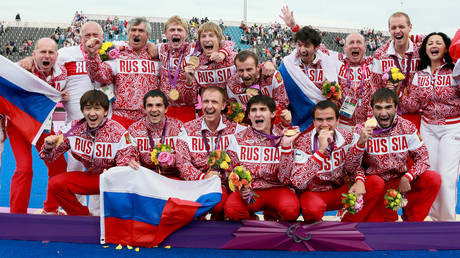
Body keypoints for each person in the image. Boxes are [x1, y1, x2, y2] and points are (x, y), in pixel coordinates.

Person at [345, 88, 441, 221]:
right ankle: (352, 221)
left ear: (396, 108)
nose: (383, 113)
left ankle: (412, 222)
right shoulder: (361, 129)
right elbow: (350, 167)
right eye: (378, 108)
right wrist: (360, 143)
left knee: (433, 179)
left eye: (388, 107)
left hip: (399, 182)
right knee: (382, 225)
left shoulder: (407, 127)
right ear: (372, 109)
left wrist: (408, 177)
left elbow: (423, 158)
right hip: (375, 184)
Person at [279, 100, 383, 222]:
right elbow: (298, 182)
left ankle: (349, 223)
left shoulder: (347, 137)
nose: (325, 124)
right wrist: (321, 150)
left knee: (376, 182)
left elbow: (353, 167)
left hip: (341, 191)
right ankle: (318, 231)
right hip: (314, 194)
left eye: (329, 119)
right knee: (311, 209)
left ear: (337, 121)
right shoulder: (302, 142)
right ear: (313, 121)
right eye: (319, 120)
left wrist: (359, 179)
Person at [40, 90, 136, 216]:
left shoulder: (118, 132)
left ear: (106, 111)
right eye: (88, 108)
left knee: (121, 192)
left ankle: (118, 221)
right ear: (82, 111)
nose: (92, 113)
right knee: (55, 184)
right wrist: (48, 147)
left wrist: (113, 173)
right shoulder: (73, 128)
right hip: (92, 177)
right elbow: (50, 157)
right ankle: (83, 218)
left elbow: (125, 164)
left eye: (97, 109)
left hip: (114, 181)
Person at [279, 6, 374, 131]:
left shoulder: (373, 63)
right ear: (344, 48)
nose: (355, 46)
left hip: (365, 123)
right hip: (339, 123)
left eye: (358, 43)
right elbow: (310, 41)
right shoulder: (335, 59)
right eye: (351, 43)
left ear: (365, 47)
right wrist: (294, 26)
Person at [399, 33, 460, 221]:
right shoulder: (419, 75)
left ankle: (447, 221)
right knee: (430, 174)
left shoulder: (455, 70)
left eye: (438, 43)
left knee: (447, 176)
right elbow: (412, 105)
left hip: (453, 128)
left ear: (446, 48)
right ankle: (433, 219)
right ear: (425, 49)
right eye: (430, 43)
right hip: (428, 128)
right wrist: (397, 93)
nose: (434, 45)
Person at [6, 38, 69, 214]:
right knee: (24, 168)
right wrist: (23, 62)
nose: (46, 56)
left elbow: (54, 104)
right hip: (18, 124)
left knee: (58, 166)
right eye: (43, 52)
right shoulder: (21, 68)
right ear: (34, 54)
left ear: (56, 55)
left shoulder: (62, 75)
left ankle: (50, 209)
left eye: (50, 52)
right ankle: (17, 215)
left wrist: (61, 97)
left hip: (43, 126)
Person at [175, 86, 246, 220]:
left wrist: (223, 177)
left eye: (214, 102)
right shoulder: (187, 129)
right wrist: (202, 178)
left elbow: (242, 163)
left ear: (223, 105)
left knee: (220, 205)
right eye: (206, 101)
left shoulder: (237, 130)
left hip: (225, 185)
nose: (209, 106)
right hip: (196, 183)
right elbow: (182, 162)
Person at [225, 95, 299, 221]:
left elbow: (286, 179)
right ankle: (253, 222)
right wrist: (241, 187)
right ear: (248, 115)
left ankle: (273, 218)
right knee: (232, 209)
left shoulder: (285, 137)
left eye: (263, 109)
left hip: (277, 189)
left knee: (291, 210)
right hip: (252, 193)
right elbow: (230, 171)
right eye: (253, 110)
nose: (257, 114)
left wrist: (286, 147)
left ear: (272, 113)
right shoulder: (236, 139)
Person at [86, 17, 160, 129]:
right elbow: (99, 76)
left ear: (148, 35)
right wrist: (92, 56)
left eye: (141, 31)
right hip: (121, 117)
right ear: (128, 33)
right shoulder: (118, 55)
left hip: (149, 118)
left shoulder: (156, 55)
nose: (136, 34)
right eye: (133, 30)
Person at [278, 6, 338, 132]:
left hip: (323, 121)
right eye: (299, 45)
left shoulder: (328, 62)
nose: (302, 49)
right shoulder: (287, 66)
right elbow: (279, 91)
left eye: (307, 46)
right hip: (295, 120)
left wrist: (294, 26)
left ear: (316, 47)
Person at [372, 12, 421, 128]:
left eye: (402, 27)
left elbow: (442, 40)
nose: (397, 31)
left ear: (410, 27)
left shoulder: (420, 51)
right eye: (393, 27)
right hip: (388, 115)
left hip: (417, 114)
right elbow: (375, 86)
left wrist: (415, 37)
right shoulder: (380, 54)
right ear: (389, 30)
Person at [226, 50, 291, 126]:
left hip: (273, 124)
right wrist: (245, 108)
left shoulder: (272, 76)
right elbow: (232, 111)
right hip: (248, 126)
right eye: (240, 70)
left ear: (258, 67)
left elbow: (283, 104)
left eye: (249, 69)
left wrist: (262, 101)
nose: (245, 75)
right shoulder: (232, 83)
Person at [128, 90, 183, 178]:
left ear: (166, 109)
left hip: (173, 178)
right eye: (150, 105)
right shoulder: (134, 129)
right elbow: (132, 157)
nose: (154, 109)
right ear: (144, 109)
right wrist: (132, 162)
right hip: (146, 178)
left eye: (158, 105)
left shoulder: (179, 127)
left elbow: (184, 159)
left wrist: (170, 160)